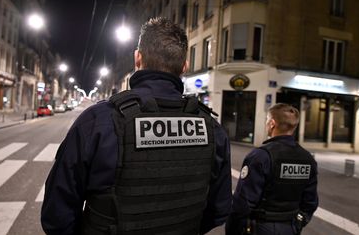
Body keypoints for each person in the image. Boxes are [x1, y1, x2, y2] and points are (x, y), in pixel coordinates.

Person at [41, 17, 232, 235]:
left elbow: (57, 214)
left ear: (137, 58)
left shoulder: (98, 121)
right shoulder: (211, 129)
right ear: (184, 66)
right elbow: (219, 209)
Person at [225, 103, 318, 235]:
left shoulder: (261, 156)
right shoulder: (308, 159)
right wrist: (298, 223)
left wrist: (232, 230)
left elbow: (243, 203)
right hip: (291, 227)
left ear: (272, 123)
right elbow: (310, 202)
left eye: (267, 120)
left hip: (261, 227)